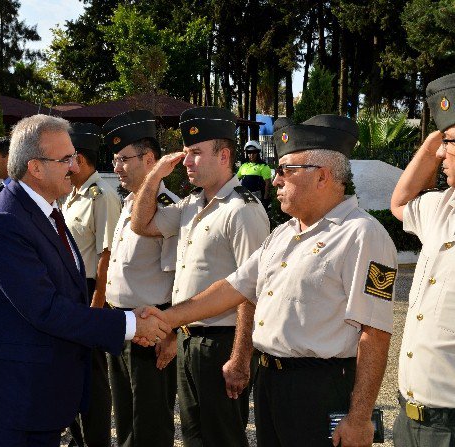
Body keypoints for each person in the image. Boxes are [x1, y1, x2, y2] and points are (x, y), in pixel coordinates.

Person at [143, 114, 397, 447]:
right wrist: (168, 318)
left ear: (322, 176)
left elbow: (375, 333)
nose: (275, 180)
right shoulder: (283, 234)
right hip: (270, 383)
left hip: (318, 387)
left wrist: (360, 417)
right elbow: (233, 288)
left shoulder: (362, 235)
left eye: (284, 170)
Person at [0, 114, 170, 447]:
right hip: (2, 398)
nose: (74, 166)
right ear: (34, 167)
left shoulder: (44, 209)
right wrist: (131, 325)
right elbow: (45, 309)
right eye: (64, 159)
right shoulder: (6, 222)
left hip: (33, 395)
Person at [131, 106, 270, 447]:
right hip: (188, 340)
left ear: (224, 156)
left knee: (223, 437)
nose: (187, 162)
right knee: (194, 437)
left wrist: (240, 358)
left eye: (195, 153)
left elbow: (252, 290)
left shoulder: (242, 210)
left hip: (222, 343)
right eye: (186, 153)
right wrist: (154, 177)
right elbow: (141, 224)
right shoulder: (191, 204)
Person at [102, 110, 179, 447]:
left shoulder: (168, 208)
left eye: (123, 159)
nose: (116, 167)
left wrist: (171, 332)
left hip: (150, 333)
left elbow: (180, 278)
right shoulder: (129, 203)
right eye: (115, 160)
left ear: (150, 160)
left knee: (149, 426)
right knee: (126, 424)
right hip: (121, 327)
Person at [390, 72, 455, 446]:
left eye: (448, 143)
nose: (440, 154)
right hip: (410, 420)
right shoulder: (442, 207)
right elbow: (400, 201)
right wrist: (438, 134)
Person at [62, 122, 122, 447]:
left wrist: (96, 309)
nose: (63, 166)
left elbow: (107, 254)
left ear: (81, 160)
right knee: (70, 370)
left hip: (90, 293)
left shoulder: (103, 197)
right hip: (70, 292)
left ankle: (96, 440)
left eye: (66, 159)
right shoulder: (71, 197)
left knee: (94, 376)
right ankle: (76, 437)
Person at [237, 140, 272, 205]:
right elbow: (236, 179)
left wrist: (265, 199)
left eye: (254, 153)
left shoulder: (263, 166)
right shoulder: (243, 166)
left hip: (257, 196)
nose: (251, 155)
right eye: (249, 153)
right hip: (244, 196)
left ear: (258, 153)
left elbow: (268, 184)